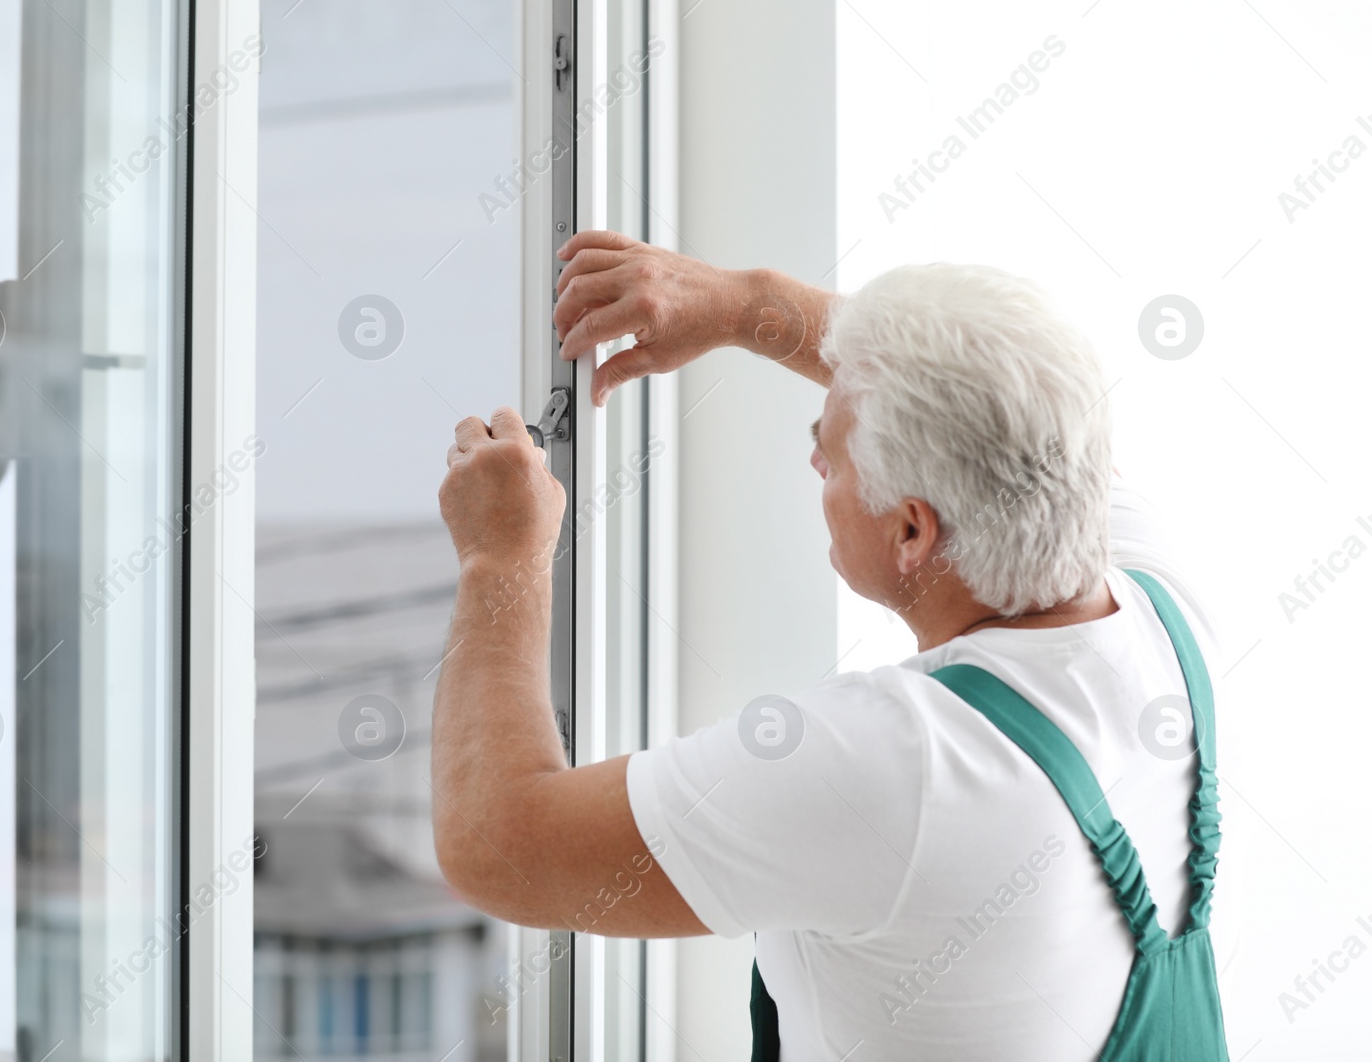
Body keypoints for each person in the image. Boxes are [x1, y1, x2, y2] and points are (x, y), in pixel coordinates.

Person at [431, 231, 1233, 1060]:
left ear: (913, 529)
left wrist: (503, 558)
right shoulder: (1164, 616)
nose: (815, 455)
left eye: (834, 449)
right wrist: (746, 305)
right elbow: (997, 397)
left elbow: (498, 845)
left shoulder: (902, 767)